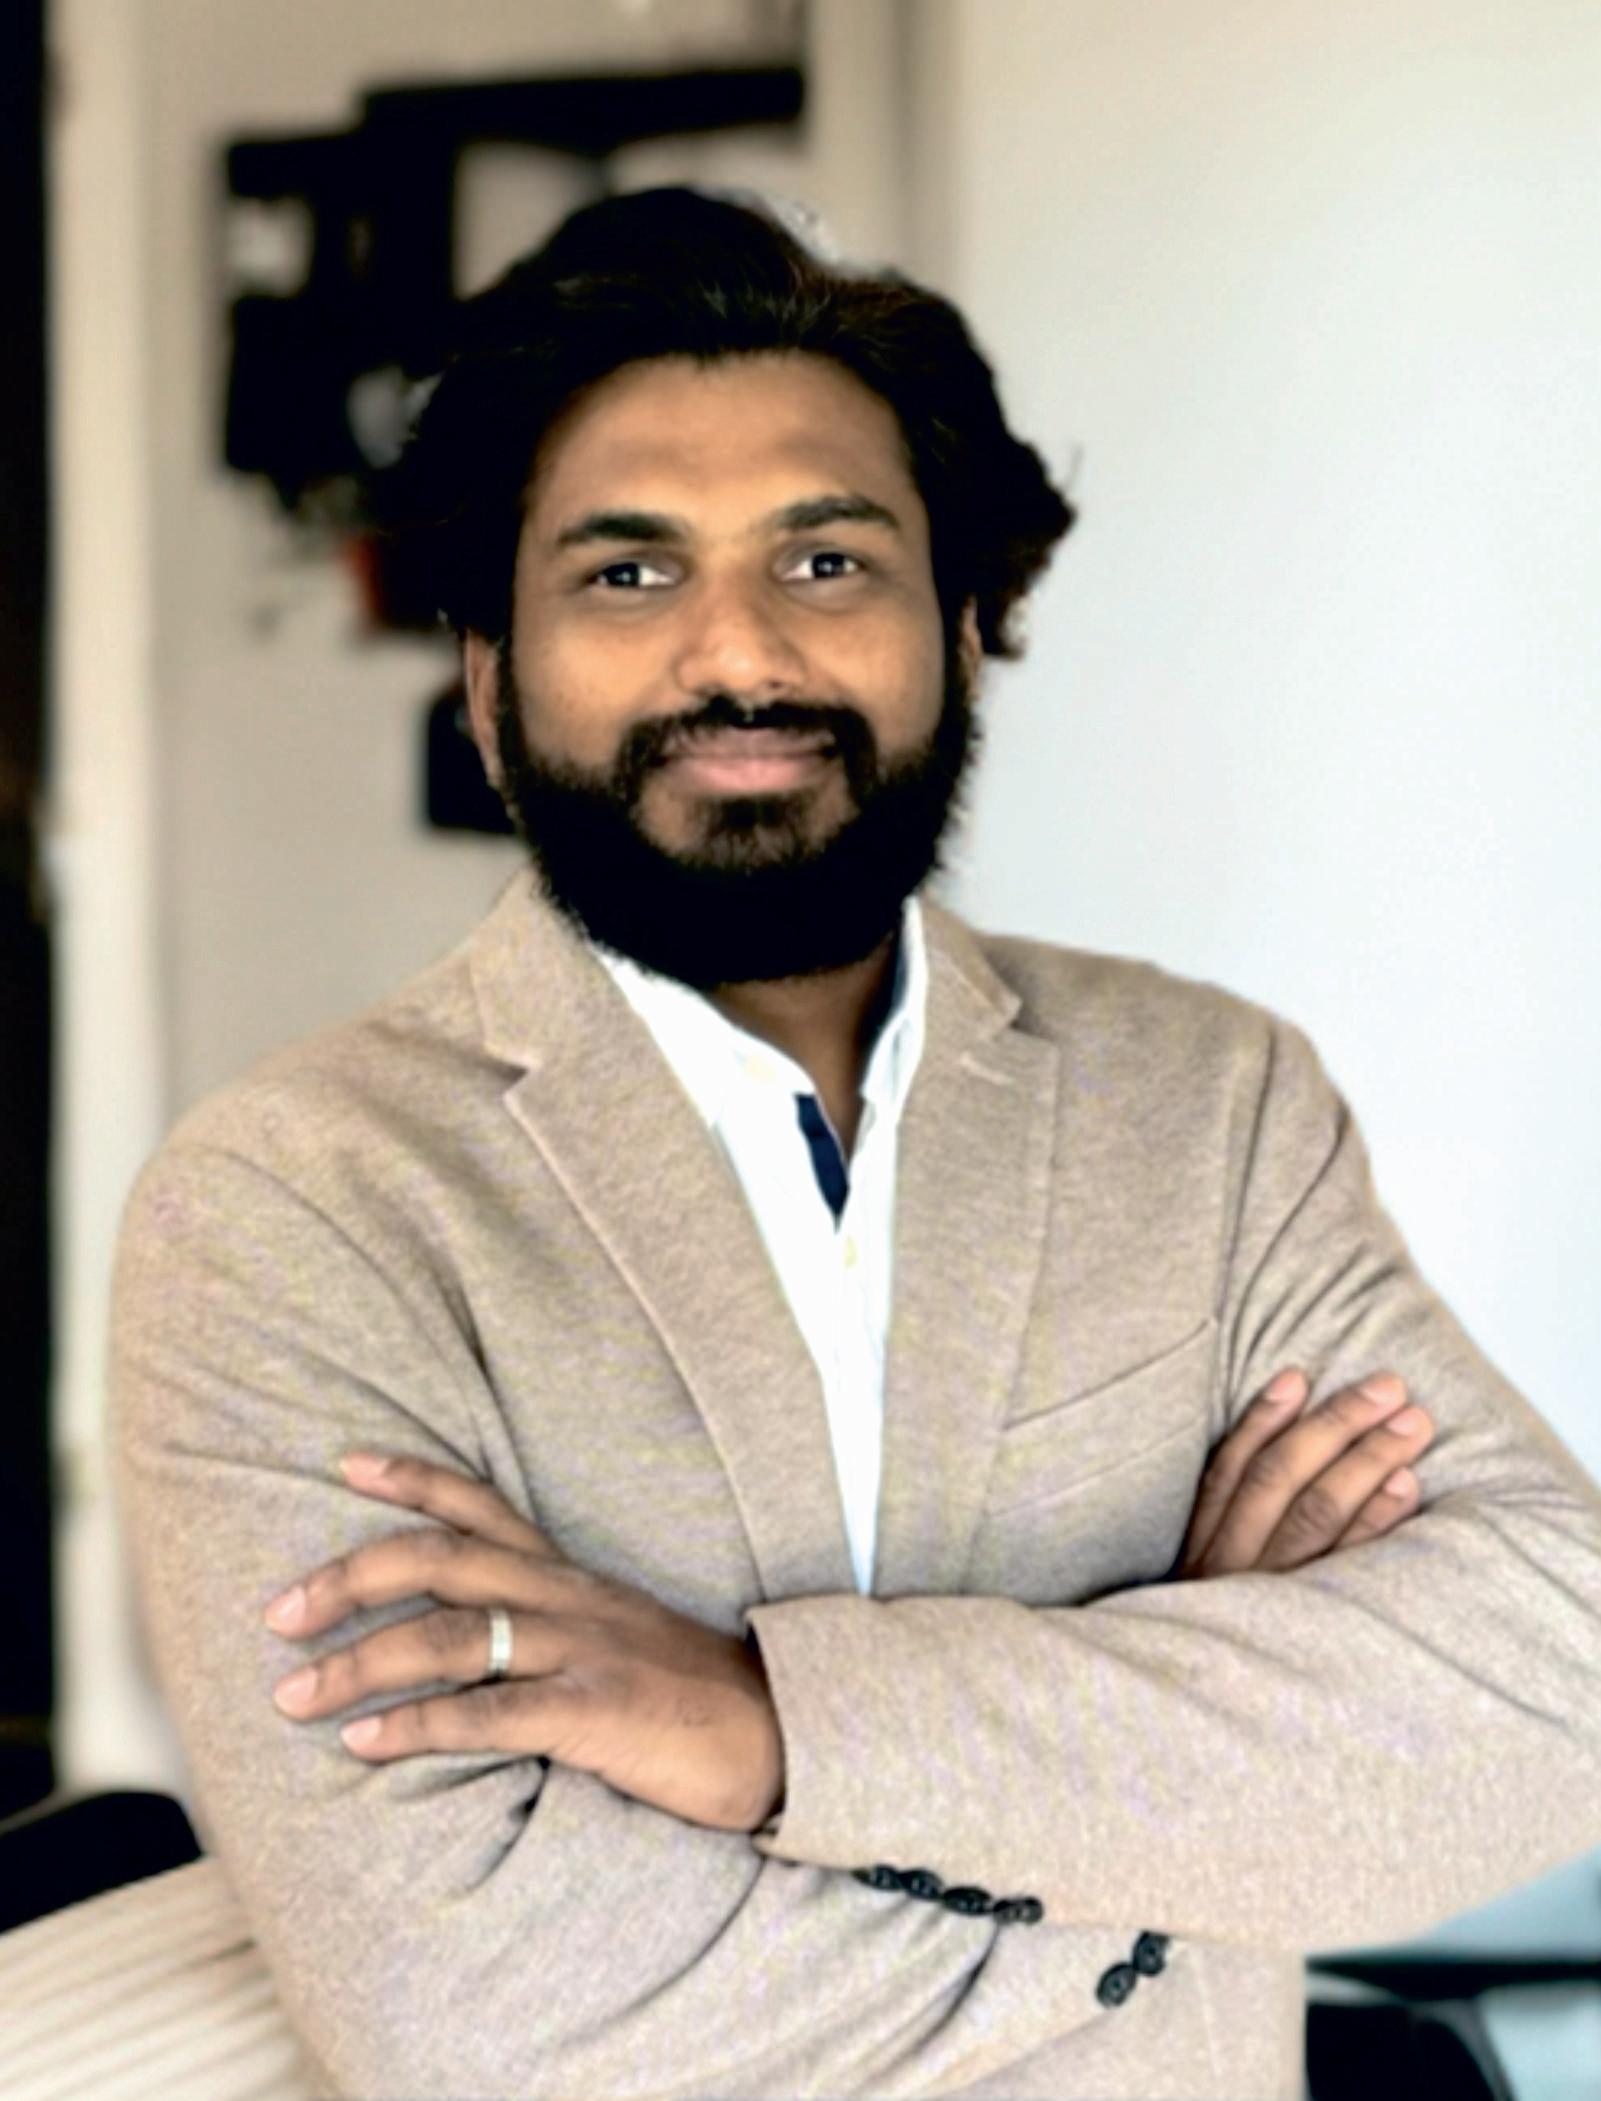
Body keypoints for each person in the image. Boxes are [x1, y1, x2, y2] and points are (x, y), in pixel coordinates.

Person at [111, 188, 1601, 2101]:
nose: (737, 651)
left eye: (825, 559)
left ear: (964, 631)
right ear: (488, 682)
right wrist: (1203, 1799)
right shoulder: (297, 1201)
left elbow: (1553, 1687)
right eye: (626, 574)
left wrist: (763, 1728)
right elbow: (477, 2020)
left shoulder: (1207, 1103)